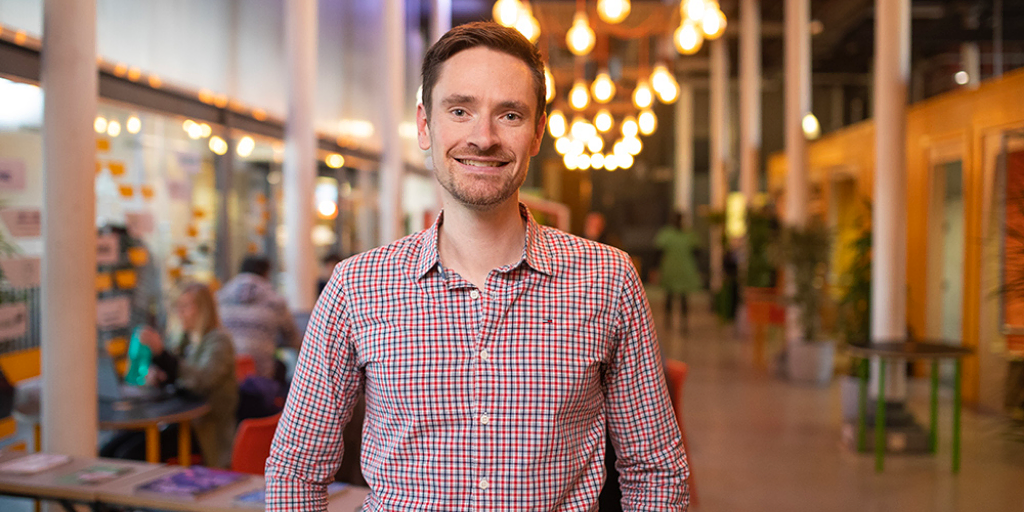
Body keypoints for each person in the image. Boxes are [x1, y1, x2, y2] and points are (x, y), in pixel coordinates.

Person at [266, 22, 688, 511]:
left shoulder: (607, 279)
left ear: (536, 133)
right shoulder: (357, 286)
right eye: (460, 110)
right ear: (425, 125)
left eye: (509, 114)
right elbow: (295, 470)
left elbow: (655, 472)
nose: (483, 138)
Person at [140, 282, 238, 468]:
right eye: (178, 306)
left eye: (186, 306)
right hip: (182, 424)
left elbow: (202, 380)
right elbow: (180, 378)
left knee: (132, 453)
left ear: (204, 309)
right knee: (117, 447)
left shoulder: (219, 342)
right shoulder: (186, 341)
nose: (180, 312)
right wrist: (161, 376)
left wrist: (162, 355)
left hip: (206, 431)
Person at [218, 256, 301, 380]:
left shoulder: (221, 296)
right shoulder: (274, 299)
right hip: (262, 373)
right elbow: (292, 338)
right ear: (266, 273)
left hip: (227, 370)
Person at [655, 211, 702, 334]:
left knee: (681, 298)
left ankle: (680, 323)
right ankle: (669, 322)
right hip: (674, 268)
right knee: (671, 296)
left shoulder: (685, 234)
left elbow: (697, 250)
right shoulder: (671, 234)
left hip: (680, 268)